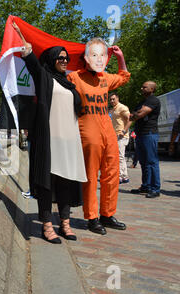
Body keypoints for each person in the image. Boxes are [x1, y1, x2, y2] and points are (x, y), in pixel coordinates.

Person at [14, 22, 87, 244]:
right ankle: (47, 226)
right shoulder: (45, 77)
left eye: (66, 58)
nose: (64, 61)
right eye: (60, 58)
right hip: (49, 141)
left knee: (66, 183)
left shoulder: (71, 84)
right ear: (52, 59)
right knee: (47, 184)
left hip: (69, 141)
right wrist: (23, 43)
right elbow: (34, 66)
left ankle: (65, 224)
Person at [67, 38, 130, 235]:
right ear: (86, 58)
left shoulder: (105, 78)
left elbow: (124, 76)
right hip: (88, 131)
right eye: (94, 55)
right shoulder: (75, 77)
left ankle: (107, 215)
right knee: (91, 175)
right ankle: (92, 217)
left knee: (112, 173)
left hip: (108, 131)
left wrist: (120, 57)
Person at [130, 81, 161, 198]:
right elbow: (132, 116)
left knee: (152, 161)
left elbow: (139, 114)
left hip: (149, 133)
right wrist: (136, 114)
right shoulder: (142, 102)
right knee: (143, 162)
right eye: (142, 86)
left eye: (145, 87)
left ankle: (155, 188)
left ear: (152, 89)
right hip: (140, 134)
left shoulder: (153, 100)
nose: (141, 88)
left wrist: (136, 114)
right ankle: (146, 186)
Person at [109, 92, 132, 184]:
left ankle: (120, 176)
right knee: (119, 156)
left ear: (118, 98)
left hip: (121, 136)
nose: (112, 101)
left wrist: (124, 131)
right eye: (110, 99)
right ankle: (124, 176)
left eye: (113, 99)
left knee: (119, 156)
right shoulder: (112, 109)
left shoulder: (122, 107)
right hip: (115, 135)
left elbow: (130, 119)